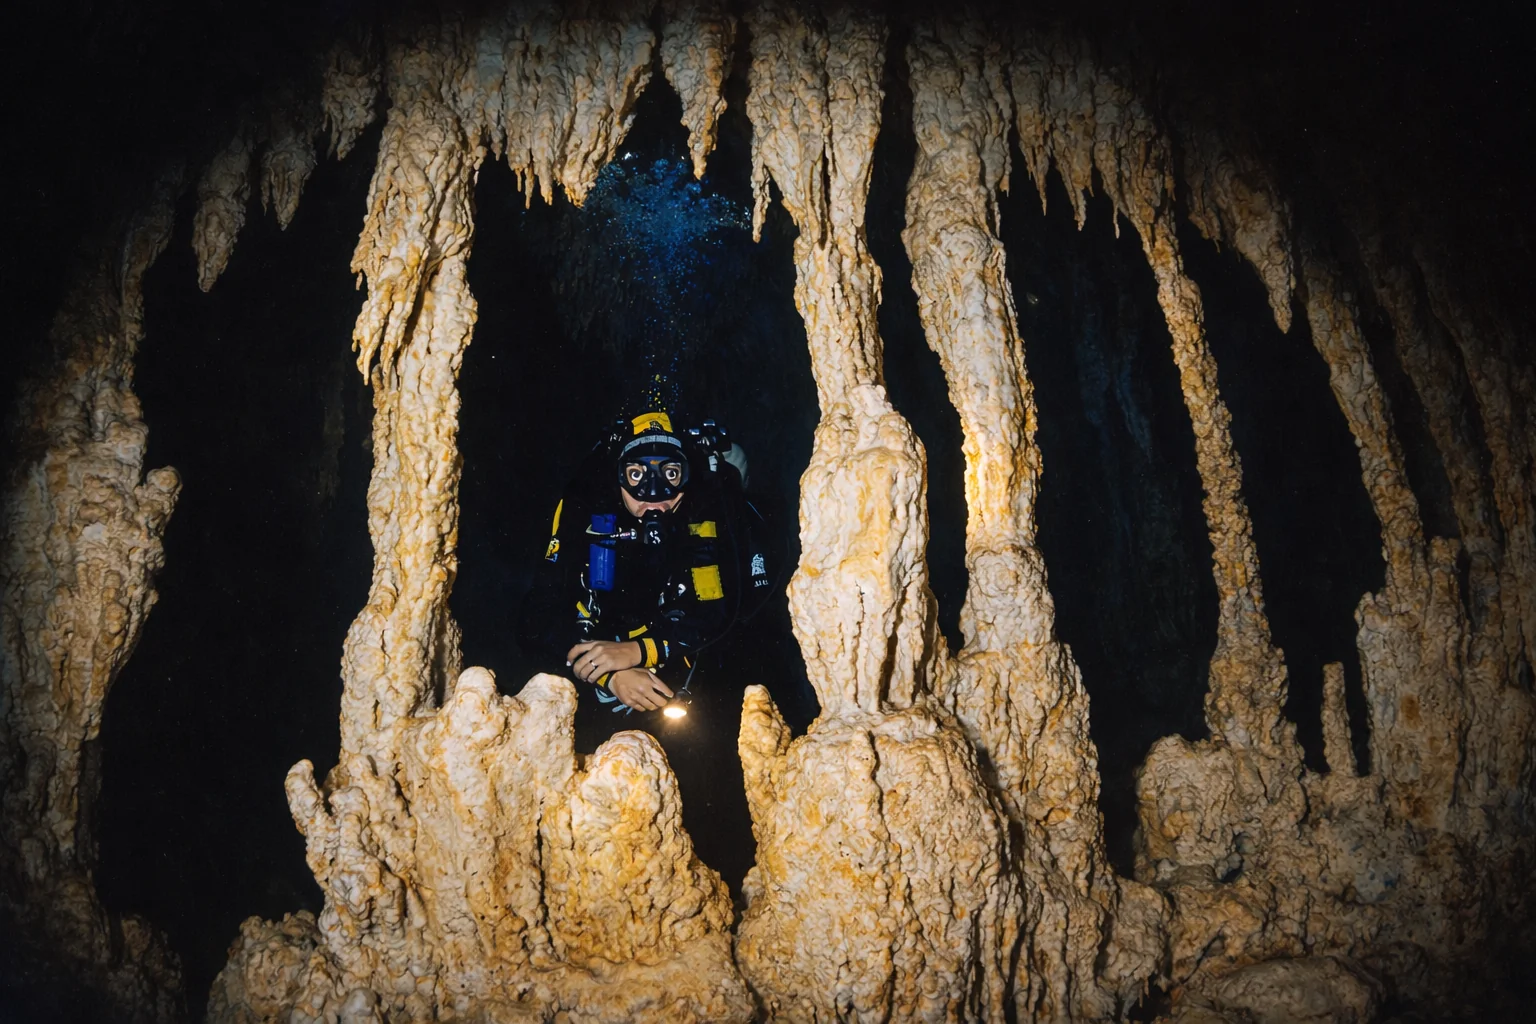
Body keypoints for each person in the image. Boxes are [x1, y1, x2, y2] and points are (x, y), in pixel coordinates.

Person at [519, 410, 771, 896]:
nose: (654, 492)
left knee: (704, 796)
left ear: (688, 474)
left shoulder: (705, 516)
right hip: (597, 684)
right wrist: (607, 674)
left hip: (689, 679)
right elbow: (535, 618)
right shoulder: (586, 513)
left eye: (670, 473)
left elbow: (729, 611)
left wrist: (640, 651)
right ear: (617, 476)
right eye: (637, 475)